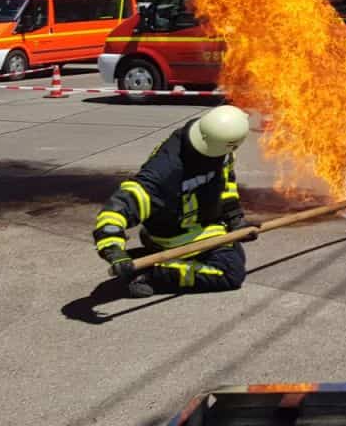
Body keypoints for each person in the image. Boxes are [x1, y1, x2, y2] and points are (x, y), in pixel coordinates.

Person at [93, 104, 256, 298]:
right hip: (173, 235)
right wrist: (113, 251)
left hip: (198, 225)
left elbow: (225, 184)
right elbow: (115, 212)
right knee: (229, 274)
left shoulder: (218, 145)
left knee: (235, 254)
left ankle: (153, 259)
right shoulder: (166, 169)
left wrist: (235, 220)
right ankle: (149, 271)